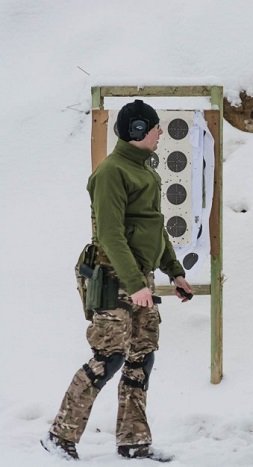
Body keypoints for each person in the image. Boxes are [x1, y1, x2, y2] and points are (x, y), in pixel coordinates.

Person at [42, 99, 193, 461]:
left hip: (140, 277)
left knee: (142, 357)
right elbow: (110, 234)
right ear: (138, 130)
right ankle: (60, 436)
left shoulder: (145, 171)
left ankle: (133, 441)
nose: (159, 133)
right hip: (114, 278)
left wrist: (175, 272)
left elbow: (154, 229)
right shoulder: (112, 171)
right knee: (107, 357)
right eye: (154, 127)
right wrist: (134, 283)